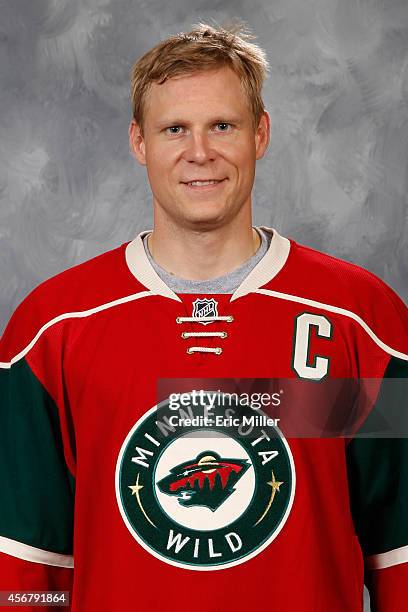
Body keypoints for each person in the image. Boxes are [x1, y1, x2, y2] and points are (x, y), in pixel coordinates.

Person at [0, 21, 407, 612]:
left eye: (222, 125)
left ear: (260, 134)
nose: (200, 152)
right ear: (139, 142)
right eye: (174, 129)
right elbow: (25, 568)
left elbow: (398, 551)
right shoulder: (52, 328)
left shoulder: (361, 321)